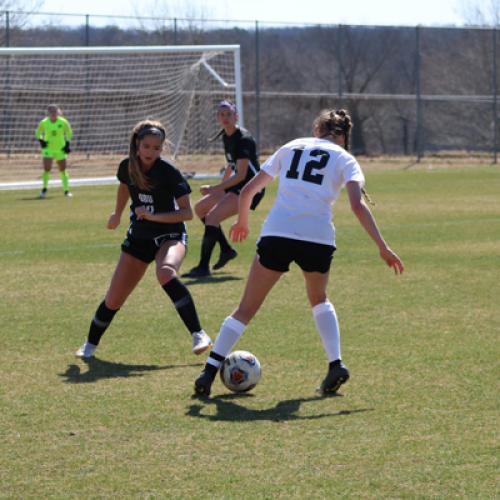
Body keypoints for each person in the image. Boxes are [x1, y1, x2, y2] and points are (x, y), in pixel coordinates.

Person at [193, 108, 404, 397]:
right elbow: (357, 205)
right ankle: (336, 364)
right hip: (318, 237)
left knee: (246, 309)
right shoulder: (346, 158)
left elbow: (247, 191)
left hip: (278, 232)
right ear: (343, 136)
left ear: (317, 130)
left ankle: (208, 372)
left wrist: (242, 221)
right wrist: (383, 246)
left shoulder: (291, 146)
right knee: (319, 299)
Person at [76, 120, 212, 359]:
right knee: (114, 298)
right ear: (137, 145)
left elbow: (186, 213)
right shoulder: (127, 167)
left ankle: (199, 334)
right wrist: (117, 214)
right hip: (139, 237)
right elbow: (124, 187)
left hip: (170, 234)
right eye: (147, 146)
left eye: (157, 148)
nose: (152, 152)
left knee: (166, 272)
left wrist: (153, 215)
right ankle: (89, 345)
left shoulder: (169, 173)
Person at [182, 100, 265, 278]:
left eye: (228, 114)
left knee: (212, 217)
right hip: (238, 185)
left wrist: (216, 188)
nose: (225, 117)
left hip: (250, 189)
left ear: (236, 116)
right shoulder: (226, 135)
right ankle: (226, 250)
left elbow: (242, 174)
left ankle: (203, 268)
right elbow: (231, 165)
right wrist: (220, 187)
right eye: (221, 114)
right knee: (201, 209)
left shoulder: (243, 139)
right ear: (218, 118)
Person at [35, 104, 74, 198]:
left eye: (55, 112)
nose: (53, 114)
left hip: (60, 148)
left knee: (63, 169)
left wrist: (67, 144)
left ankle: (66, 191)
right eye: (51, 112)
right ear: (48, 113)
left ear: (59, 112)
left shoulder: (63, 122)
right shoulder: (44, 123)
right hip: (48, 148)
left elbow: (69, 133)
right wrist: (41, 141)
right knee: (47, 169)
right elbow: (38, 133)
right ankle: (44, 189)